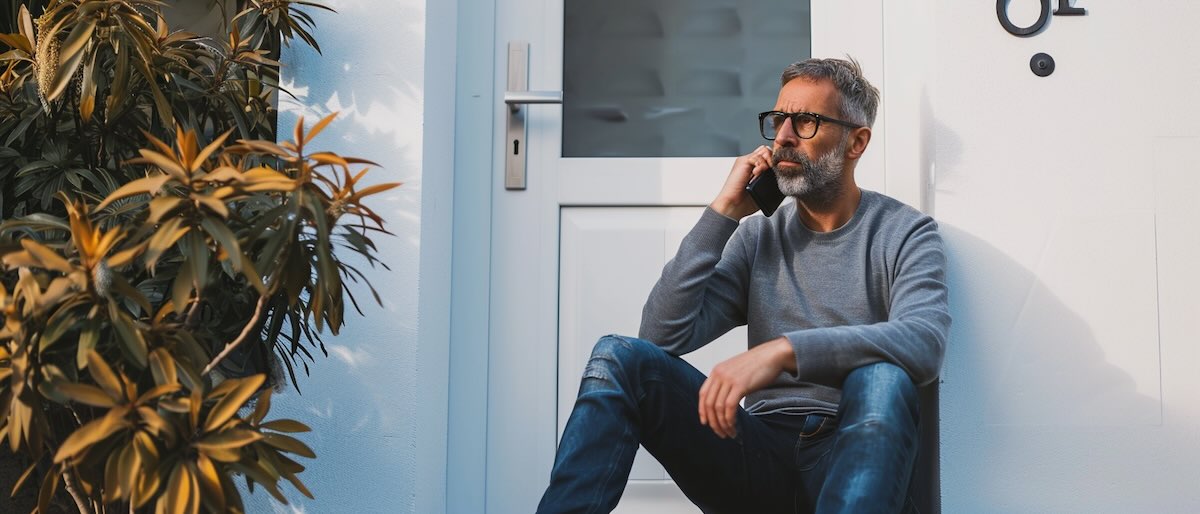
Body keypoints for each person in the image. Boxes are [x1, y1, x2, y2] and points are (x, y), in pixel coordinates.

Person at [536, 57, 951, 514]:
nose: (784, 137)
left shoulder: (907, 232)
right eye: (779, 120)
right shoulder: (758, 236)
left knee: (883, 377)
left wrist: (782, 351)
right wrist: (724, 213)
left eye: (806, 121)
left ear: (857, 142)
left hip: (850, 455)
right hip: (754, 454)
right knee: (619, 356)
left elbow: (925, 342)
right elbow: (660, 336)